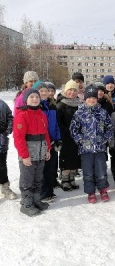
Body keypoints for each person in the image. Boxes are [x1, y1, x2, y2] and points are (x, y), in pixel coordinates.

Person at [70, 85, 113, 203]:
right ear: (85, 99)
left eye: (94, 97)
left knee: (101, 170)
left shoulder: (103, 112)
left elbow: (109, 127)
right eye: (89, 98)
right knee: (88, 172)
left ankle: (103, 189)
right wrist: (80, 140)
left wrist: (105, 138)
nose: (91, 100)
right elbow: (74, 129)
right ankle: (91, 192)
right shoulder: (79, 113)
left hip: (100, 148)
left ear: (97, 99)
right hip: (85, 150)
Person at [13, 88, 51, 217]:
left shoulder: (41, 114)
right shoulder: (21, 115)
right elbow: (18, 138)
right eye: (31, 97)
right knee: (27, 180)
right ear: (25, 100)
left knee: (38, 179)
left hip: (40, 153)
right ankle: (26, 204)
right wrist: (24, 155)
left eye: (37, 97)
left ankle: (36, 200)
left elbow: (46, 134)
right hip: (28, 155)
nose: (35, 99)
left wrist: (47, 149)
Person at [32, 81, 61, 202]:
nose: (44, 93)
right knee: (42, 169)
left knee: (51, 169)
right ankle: (43, 193)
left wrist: (58, 139)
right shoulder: (35, 107)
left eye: (46, 90)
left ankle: (49, 191)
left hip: (53, 142)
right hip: (41, 142)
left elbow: (56, 125)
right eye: (41, 91)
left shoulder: (52, 106)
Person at [56, 80, 81, 191]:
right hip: (66, 137)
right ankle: (65, 179)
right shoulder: (61, 105)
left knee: (75, 158)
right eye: (70, 90)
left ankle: (72, 178)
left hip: (77, 137)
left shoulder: (79, 104)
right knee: (66, 158)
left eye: (74, 90)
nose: (72, 92)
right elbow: (59, 123)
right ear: (66, 91)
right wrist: (65, 134)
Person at [0, 99, 17, 200]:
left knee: (1, 166)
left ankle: (4, 187)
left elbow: (11, 118)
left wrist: (6, 129)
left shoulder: (2, 104)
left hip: (1, 143)